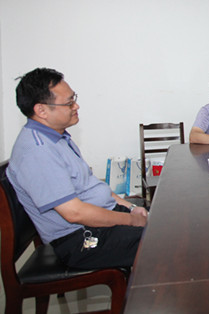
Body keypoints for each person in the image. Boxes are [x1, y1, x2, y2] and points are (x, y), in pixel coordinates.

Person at [7, 68, 147, 270]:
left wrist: (131, 208)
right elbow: (75, 213)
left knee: (169, 225)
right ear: (41, 110)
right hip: (81, 239)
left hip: (99, 220)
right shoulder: (37, 151)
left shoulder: (57, 137)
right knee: (167, 243)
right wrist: (131, 220)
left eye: (74, 99)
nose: (76, 106)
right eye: (69, 103)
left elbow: (92, 186)